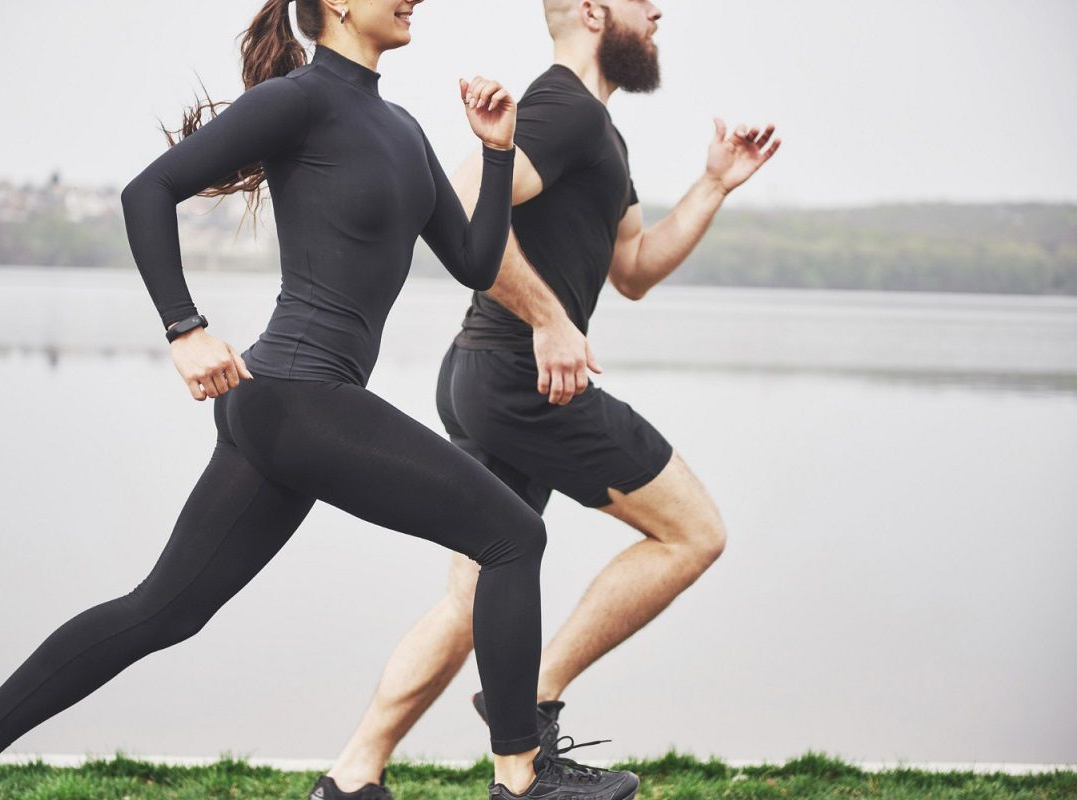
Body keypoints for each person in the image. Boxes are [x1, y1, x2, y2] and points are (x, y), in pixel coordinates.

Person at [0, 2, 641, 799]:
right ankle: (521, 780)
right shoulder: (299, 100)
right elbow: (149, 191)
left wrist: (497, 153)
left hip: (288, 406)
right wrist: (185, 328)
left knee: (163, 610)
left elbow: (477, 263)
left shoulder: (406, 131)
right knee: (514, 537)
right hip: (295, 395)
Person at [315, 0, 782, 795]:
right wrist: (549, 316)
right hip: (520, 380)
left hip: (481, 377)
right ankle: (529, 705)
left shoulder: (597, 128)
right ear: (597, 12)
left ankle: (351, 778)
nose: (658, 11)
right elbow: (461, 205)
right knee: (693, 532)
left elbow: (632, 267)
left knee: (471, 603)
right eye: (643, 1)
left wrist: (712, 185)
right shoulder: (562, 106)